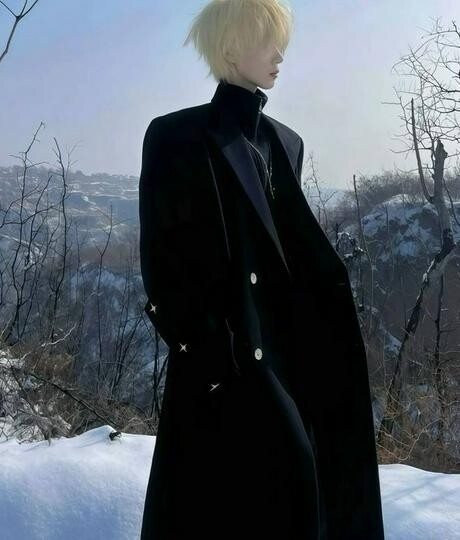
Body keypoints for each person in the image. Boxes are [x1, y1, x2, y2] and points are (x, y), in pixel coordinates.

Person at [138, 1, 385, 538]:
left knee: (309, 492)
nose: (280, 55)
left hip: (292, 355)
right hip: (224, 365)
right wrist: (215, 357)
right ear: (231, 47)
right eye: (268, 41)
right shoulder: (175, 136)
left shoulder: (285, 142)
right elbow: (162, 264)